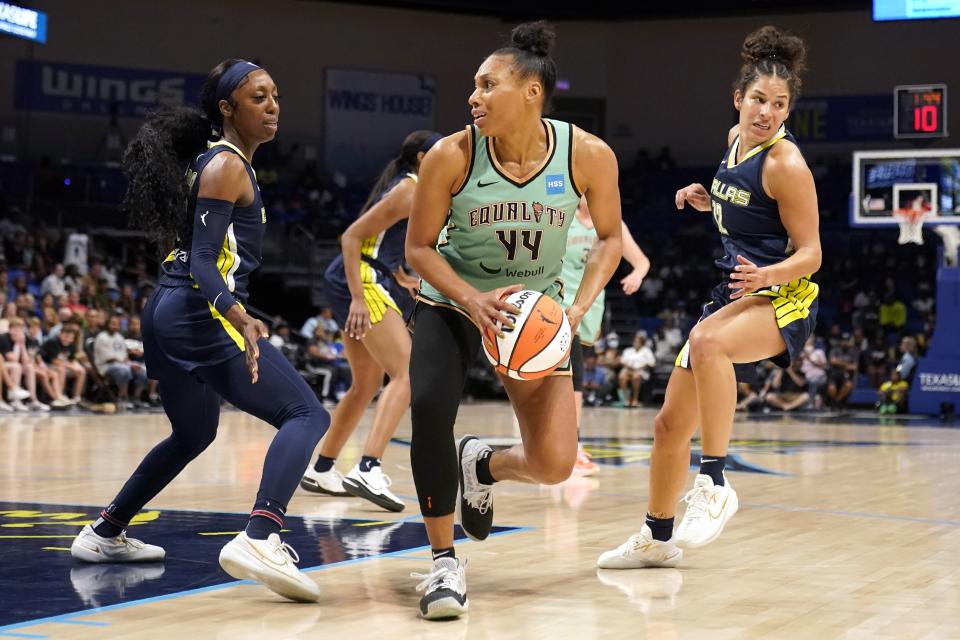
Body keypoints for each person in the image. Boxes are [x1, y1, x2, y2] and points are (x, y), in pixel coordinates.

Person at [69, 59, 330, 603]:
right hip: (196, 310)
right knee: (306, 414)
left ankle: (104, 532)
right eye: (259, 98)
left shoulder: (217, 163)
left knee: (194, 433)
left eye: (276, 95)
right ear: (227, 110)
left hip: (165, 309)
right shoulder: (227, 166)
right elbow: (206, 264)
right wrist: (237, 313)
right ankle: (261, 535)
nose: (273, 105)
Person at [405, 21, 622, 619]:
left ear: (531, 91)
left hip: (534, 311)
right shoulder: (451, 155)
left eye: (487, 84)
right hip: (453, 300)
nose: (473, 97)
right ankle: (444, 562)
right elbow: (418, 249)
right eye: (473, 87)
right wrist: (473, 301)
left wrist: (577, 305)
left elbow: (609, 239)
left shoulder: (588, 154)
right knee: (428, 409)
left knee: (554, 464)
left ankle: (483, 462)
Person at [599, 26, 821, 570]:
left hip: (783, 294)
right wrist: (707, 200)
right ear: (738, 99)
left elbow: (812, 252)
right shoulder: (733, 141)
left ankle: (716, 482)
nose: (768, 112)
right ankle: (656, 537)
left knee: (706, 341)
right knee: (669, 424)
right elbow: (746, 210)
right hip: (732, 292)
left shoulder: (785, 163)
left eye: (780, 104)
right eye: (759, 100)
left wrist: (769, 275)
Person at [300, 130, 441, 512]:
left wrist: (400, 276)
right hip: (358, 279)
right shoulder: (410, 190)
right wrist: (359, 299)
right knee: (407, 373)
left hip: (366, 275)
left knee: (365, 385)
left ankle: (323, 467)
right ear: (425, 158)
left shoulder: (412, 190)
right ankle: (368, 466)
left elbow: (380, 246)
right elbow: (350, 237)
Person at [561, 195, 650, 473]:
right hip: (561, 303)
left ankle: (561, 445)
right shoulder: (562, 217)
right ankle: (571, 447)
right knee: (572, 376)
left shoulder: (611, 224)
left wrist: (637, 274)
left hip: (591, 307)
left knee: (574, 378)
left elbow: (642, 262)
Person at [618, 331, 656, 408]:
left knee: (636, 377)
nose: (636, 343)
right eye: (635, 341)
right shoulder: (628, 350)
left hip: (641, 371)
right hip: (628, 369)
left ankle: (635, 399)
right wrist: (629, 367)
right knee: (622, 376)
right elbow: (622, 361)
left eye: (638, 342)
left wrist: (642, 367)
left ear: (642, 343)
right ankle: (626, 399)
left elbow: (652, 363)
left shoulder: (647, 351)